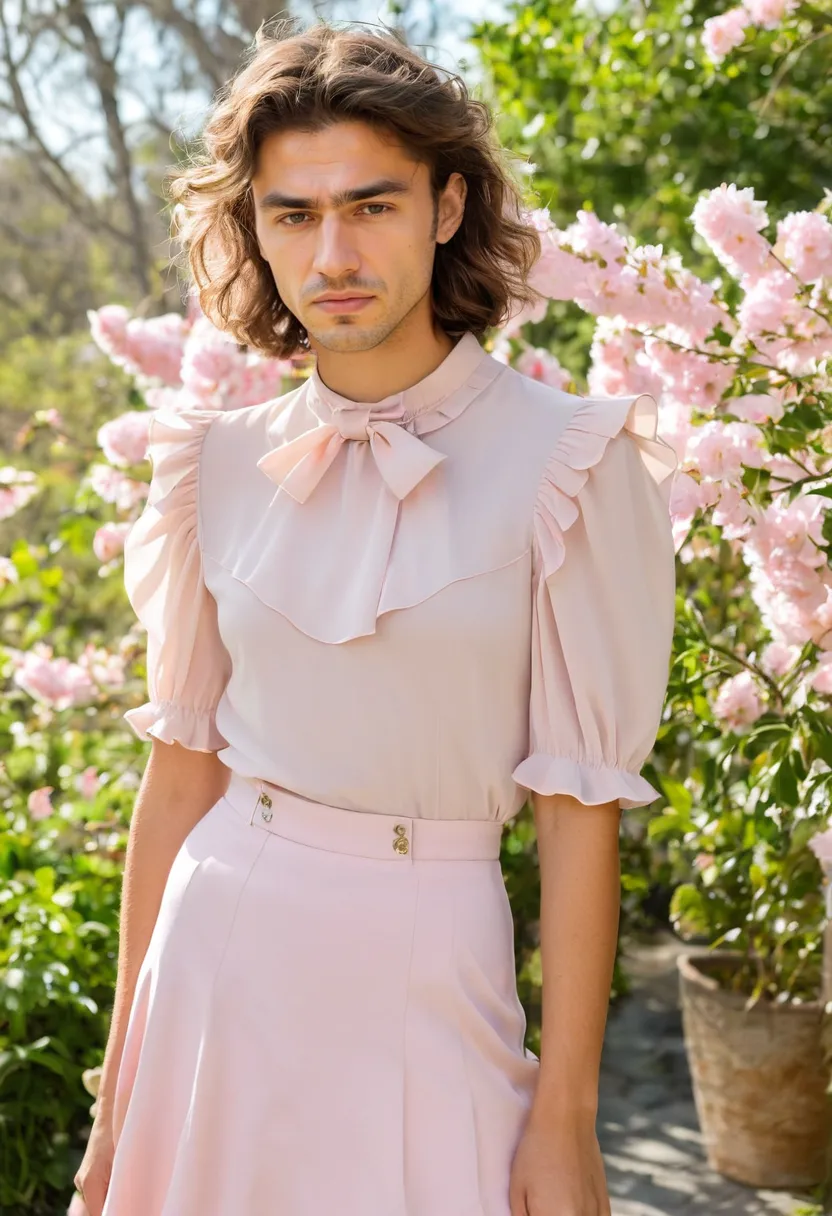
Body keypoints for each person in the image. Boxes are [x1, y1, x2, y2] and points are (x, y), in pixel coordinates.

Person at [75, 18, 677, 1216]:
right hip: (216, 950)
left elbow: (577, 813)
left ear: (446, 206)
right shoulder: (211, 465)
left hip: (431, 964)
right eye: (293, 215)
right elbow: (181, 772)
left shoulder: (569, 463)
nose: (333, 254)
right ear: (255, 231)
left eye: (371, 205)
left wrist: (566, 1118)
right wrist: (117, 1086)